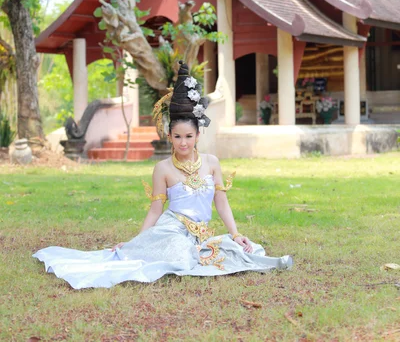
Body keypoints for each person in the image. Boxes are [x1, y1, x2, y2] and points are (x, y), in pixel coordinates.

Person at [33, 61, 292, 289]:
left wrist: (236, 234)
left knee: (240, 249)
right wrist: (136, 241)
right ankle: (157, 251)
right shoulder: (163, 169)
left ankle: (249, 256)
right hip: (171, 230)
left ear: (198, 135)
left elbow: (221, 202)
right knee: (181, 256)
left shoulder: (212, 163)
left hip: (201, 234)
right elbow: (155, 211)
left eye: (188, 136)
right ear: (169, 136)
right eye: (177, 136)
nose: (183, 143)